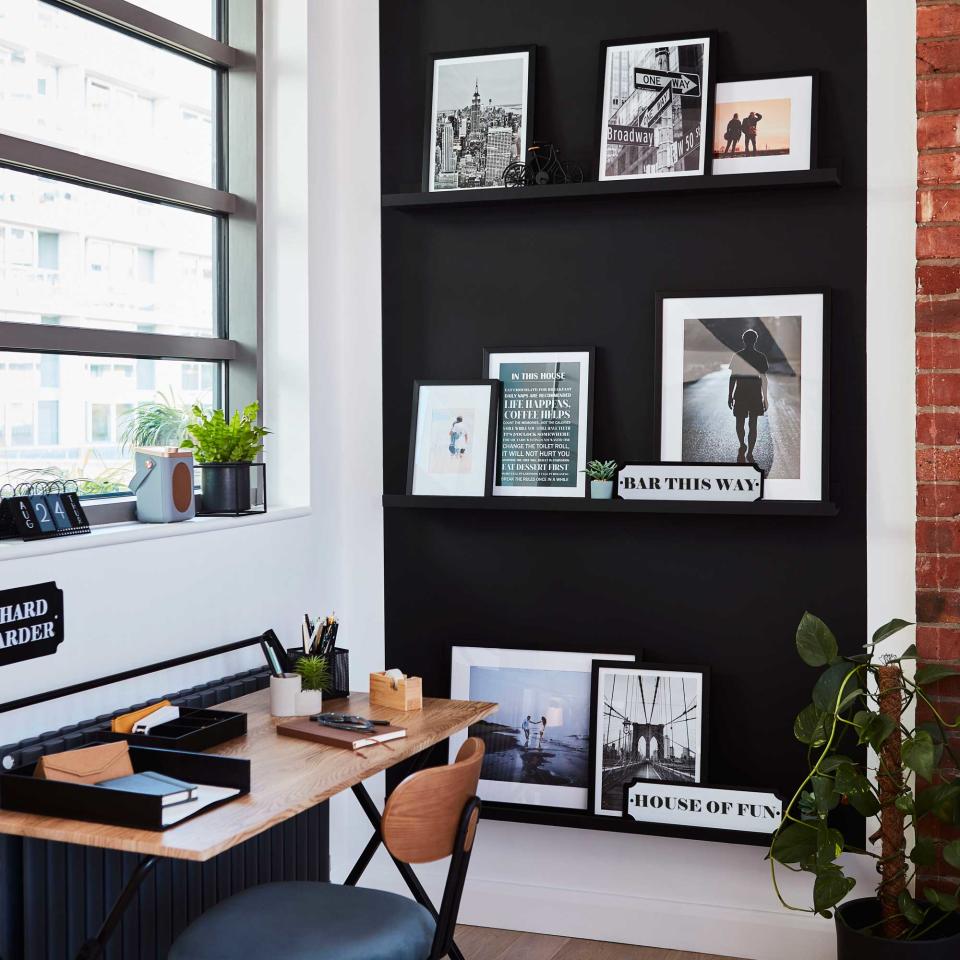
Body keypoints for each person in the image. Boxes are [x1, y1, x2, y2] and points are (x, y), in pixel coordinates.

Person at [727, 329, 769, 464]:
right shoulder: (761, 357)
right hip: (755, 394)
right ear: (755, 340)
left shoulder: (737, 356)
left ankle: (742, 444)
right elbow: (764, 378)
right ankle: (750, 452)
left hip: (740, 393)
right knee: (753, 423)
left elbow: (733, 377)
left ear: (744, 340)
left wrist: (730, 395)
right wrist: (765, 397)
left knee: (739, 422)